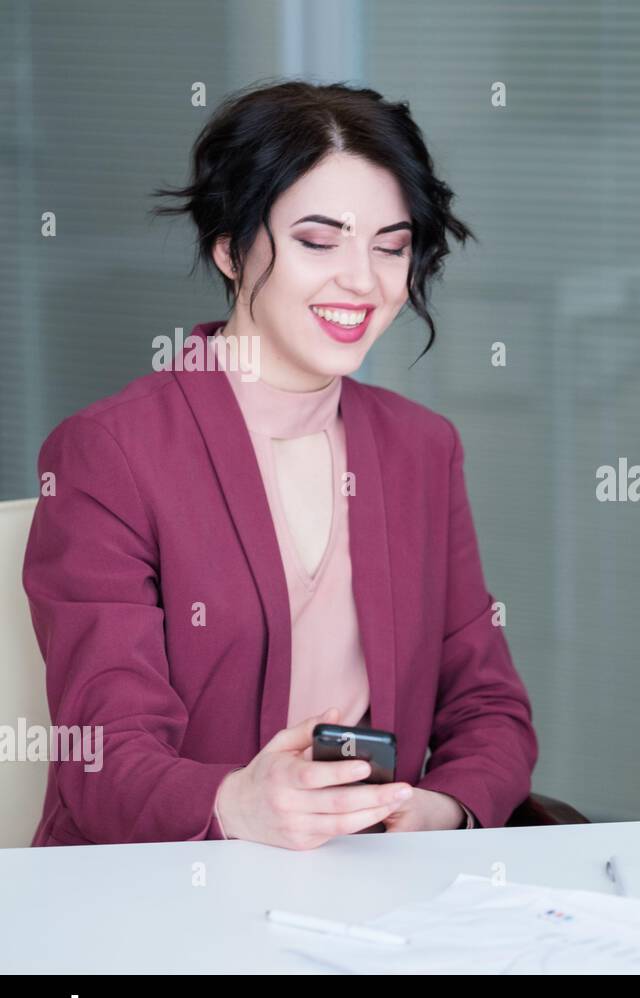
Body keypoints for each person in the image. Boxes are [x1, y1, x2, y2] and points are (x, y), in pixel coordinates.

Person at [24, 80, 537, 848]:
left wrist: (440, 808)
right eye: (318, 240)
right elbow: (103, 754)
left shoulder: (422, 448)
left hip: (370, 886)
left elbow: (488, 708)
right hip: (163, 891)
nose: (362, 280)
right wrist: (234, 802)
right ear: (229, 247)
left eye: (391, 247)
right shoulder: (112, 453)